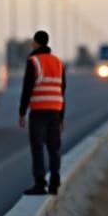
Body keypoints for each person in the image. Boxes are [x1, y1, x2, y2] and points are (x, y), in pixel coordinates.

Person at [18, 29, 66, 195]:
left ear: (36, 43)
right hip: (55, 111)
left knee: (37, 148)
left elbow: (27, 89)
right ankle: (54, 183)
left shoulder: (33, 61)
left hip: (38, 111)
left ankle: (40, 184)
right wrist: (61, 117)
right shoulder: (58, 62)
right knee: (54, 148)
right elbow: (62, 90)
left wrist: (22, 112)